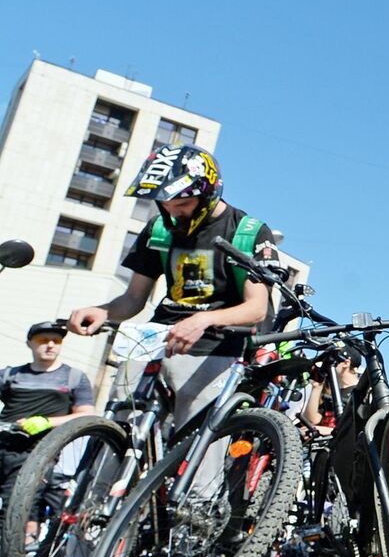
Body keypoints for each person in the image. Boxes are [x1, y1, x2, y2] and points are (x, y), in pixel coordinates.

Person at [68, 145, 277, 433]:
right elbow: (133, 298)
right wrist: (103, 311)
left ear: (208, 193)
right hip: (156, 338)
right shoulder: (159, 228)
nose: (173, 215)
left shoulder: (247, 231)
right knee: (119, 420)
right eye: (166, 207)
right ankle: (101, 474)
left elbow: (256, 309)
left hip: (217, 345)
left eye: (182, 206)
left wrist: (203, 320)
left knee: (200, 444)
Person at [0, 321, 100, 557]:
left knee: (18, 510)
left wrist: (46, 422)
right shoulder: (10, 375)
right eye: (44, 339)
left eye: (57, 340)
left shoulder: (74, 378)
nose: (50, 345)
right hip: (5, 443)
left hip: (41, 453)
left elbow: (86, 415)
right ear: (31, 342)